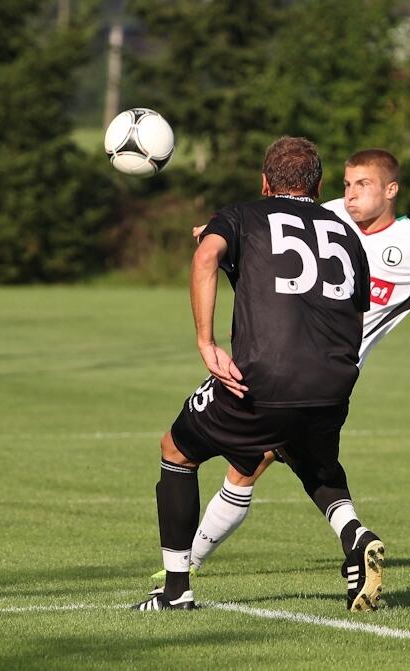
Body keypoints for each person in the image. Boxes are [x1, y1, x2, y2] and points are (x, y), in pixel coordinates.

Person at [154, 148, 410, 585]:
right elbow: (269, 224)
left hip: (293, 368)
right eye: (346, 185)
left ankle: (182, 571)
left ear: (391, 190)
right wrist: (222, 231)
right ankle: (350, 538)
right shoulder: (333, 221)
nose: (351, 196)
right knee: (260, 466)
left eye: (362, 185)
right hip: (326, 379)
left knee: (229, 459)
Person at [133, 137, 385, 613]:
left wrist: (206, 343)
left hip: (263, 379)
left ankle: (175, 590)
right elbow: (357, 315)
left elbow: (206, 258)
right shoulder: (347, 232)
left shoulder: (242, 214)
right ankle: (355, 534)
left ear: (265, 182)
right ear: (320, 185)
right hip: (333, 380)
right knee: (308, 456)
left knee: (176, 449)